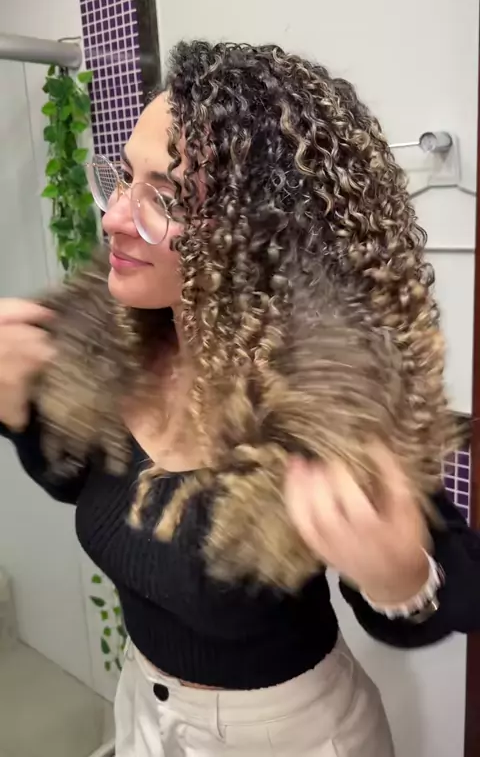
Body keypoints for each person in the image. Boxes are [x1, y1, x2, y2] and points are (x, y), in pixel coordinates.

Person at [1, 41, 479, 757]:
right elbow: (82, 484)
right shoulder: (111, 341)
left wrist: (400, 579)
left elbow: (457, 587)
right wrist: (19, 412)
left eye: (165, 198)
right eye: (123, 178)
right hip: (143, 708)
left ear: (258, 234)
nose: (115, 217)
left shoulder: (323, 394)